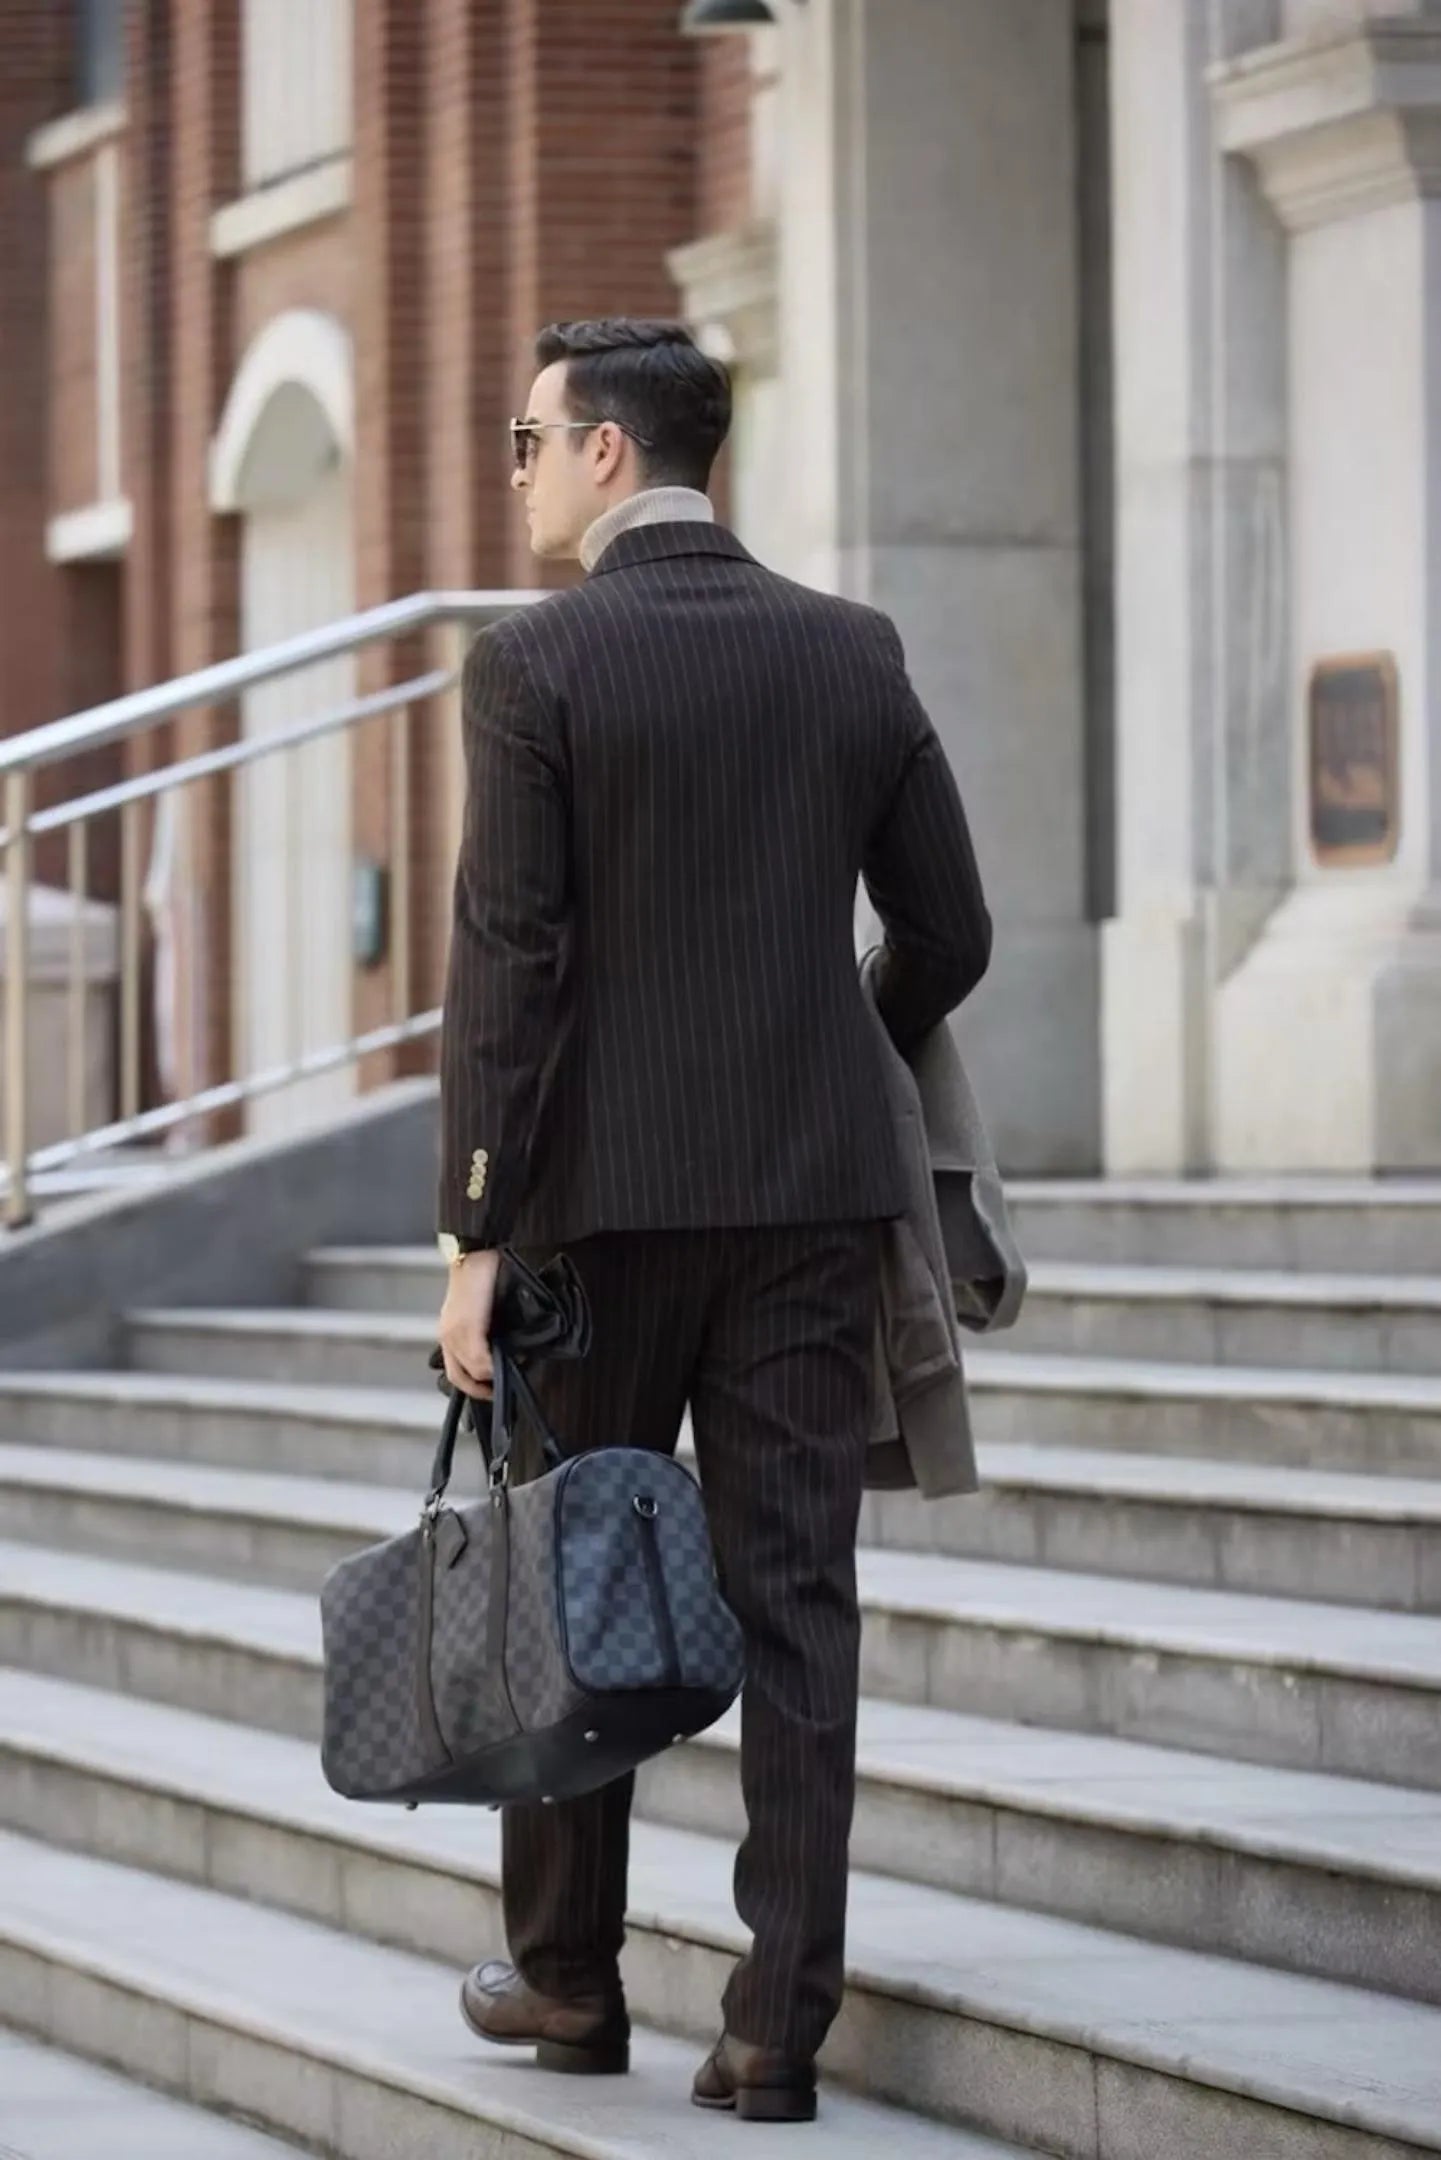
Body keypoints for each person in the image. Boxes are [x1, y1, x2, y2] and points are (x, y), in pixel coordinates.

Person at [436, 318, 991, 2124]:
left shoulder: (535, 663)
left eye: (528, 441)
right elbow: (951, 932)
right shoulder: (850, 649)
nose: (518, 472)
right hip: (809, 1202)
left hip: (592, 1226)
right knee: (796, 1605)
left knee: (571, 1588)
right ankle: (774, 2028)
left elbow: (510, 970)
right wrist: (839, 1040)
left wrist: (473, 1232)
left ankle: (567, 1980)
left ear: (606, 451)